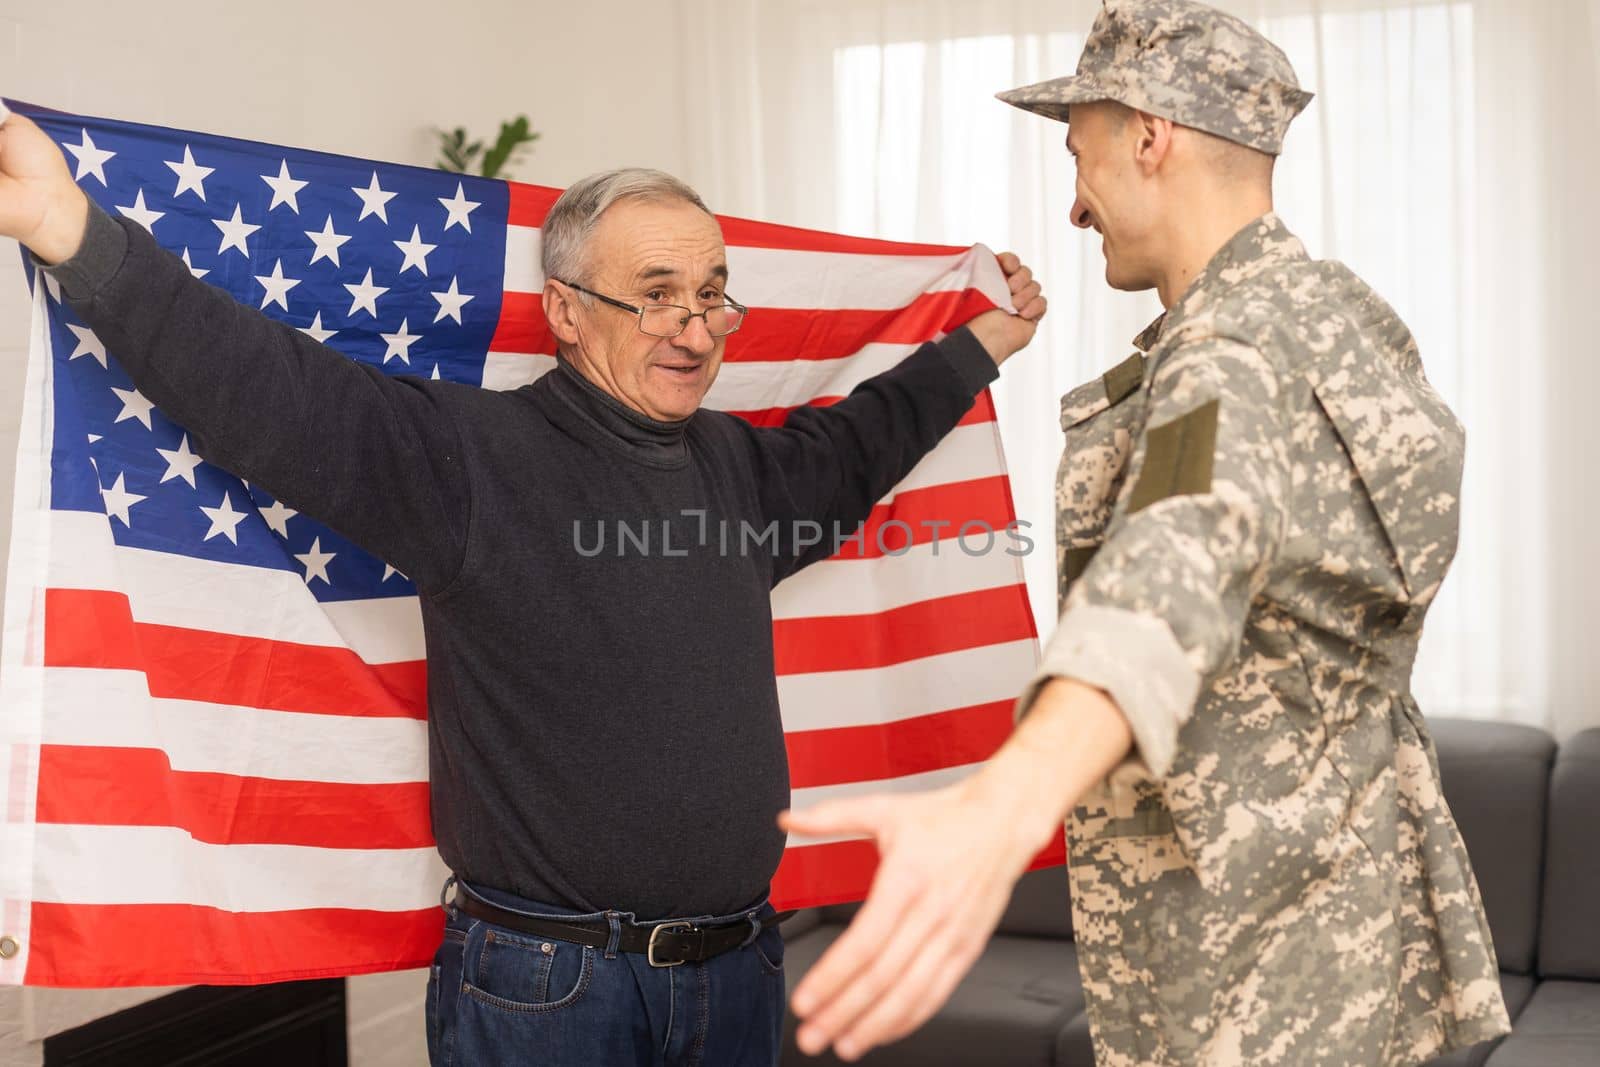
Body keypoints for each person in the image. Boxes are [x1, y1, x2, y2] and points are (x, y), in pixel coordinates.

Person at [0, 113, 1045, 1065]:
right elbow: (269, 389)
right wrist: (69, 227)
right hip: (548, 991)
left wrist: (979, 346)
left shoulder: (740, 468)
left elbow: (860, 442)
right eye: (655, 294)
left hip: (738, 974)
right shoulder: (471, 461)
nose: (693, 328)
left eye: (711, 292)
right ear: (567, 312)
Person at [782, 2, 1511, 1063]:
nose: (1075, 208)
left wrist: (996, 810)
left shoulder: (1227, 357)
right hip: (1349, 921)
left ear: (1149, 136)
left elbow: (1168, 566)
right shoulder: (1337, 314)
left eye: (1080, 156)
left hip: (1250, 976)